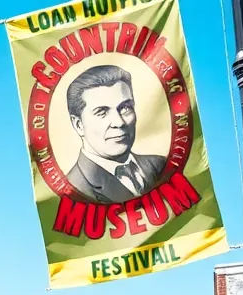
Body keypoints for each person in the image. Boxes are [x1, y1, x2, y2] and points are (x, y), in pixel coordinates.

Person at [64, 64, 166, 203]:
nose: (119, 122)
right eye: (102, 112)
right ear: (78, 124)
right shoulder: (73, 192)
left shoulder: (160, 164)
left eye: (125, 108)